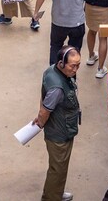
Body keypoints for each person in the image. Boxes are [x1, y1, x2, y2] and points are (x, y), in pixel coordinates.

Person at [34, 46, 82, 201]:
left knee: (60, 168)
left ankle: (57, 193)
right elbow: (45, 111)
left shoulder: (51, 71)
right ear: (61, 63)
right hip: (59, 134)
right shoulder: (57, 88)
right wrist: (40, 121)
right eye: (72, 66)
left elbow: (43, 100)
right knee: (57, 170)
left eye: (78, 65)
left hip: (62, 127)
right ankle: (51, 197)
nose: (76, 69)